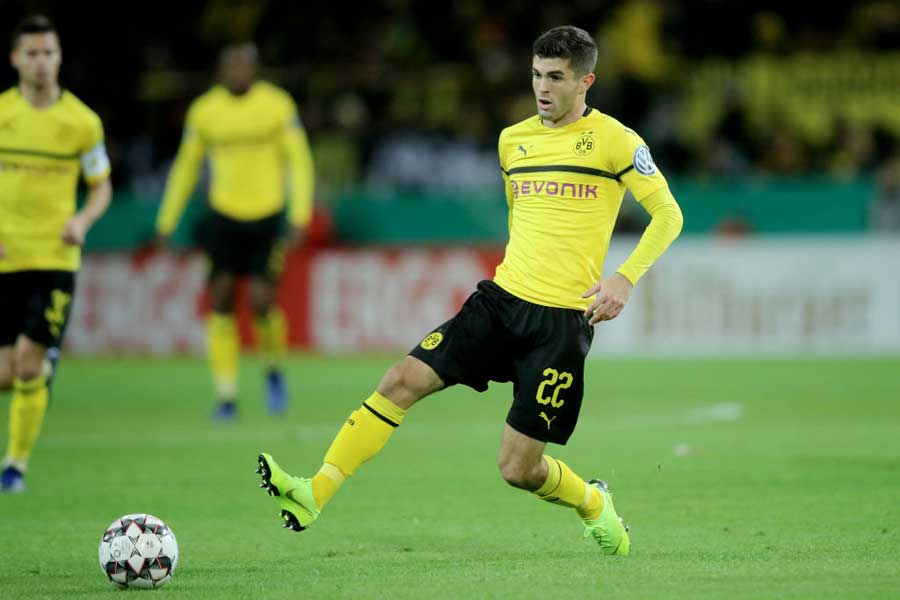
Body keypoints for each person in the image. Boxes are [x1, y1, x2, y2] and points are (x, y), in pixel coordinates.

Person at [256, 25, 683, 555]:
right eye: (536, 75)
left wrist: (624, 276)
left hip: (559, 325)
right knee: (400, 380)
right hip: (500, 303)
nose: (542, 87)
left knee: (518, 468)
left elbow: (668, 214)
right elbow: (521, 217)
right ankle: (314, 492)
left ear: (585, 82)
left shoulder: (617, 140)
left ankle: (593, 502)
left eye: (555, 77)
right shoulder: (513, 141)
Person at [155, 43, 314, 420]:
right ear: (222, 70)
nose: (239, 72)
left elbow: (299, 160)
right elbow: (186, 166)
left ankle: (273, 369)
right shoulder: (205, 111)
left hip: (267, 215)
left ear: (255, 69)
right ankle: (226, 395)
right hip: (223, 216)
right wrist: (166, 220)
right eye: (233, 66)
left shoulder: (276, 105)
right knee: (221, 298)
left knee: (261, 302)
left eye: (246, 66)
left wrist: (300, 214)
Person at [0, 15, 112, 492]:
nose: (41, 62)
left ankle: (14, 467)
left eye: (48, 53)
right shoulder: (2, 114)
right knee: (8, 375)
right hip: (6, 257)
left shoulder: (81, 122)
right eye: (32, 53)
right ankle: (45, 364)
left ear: (59, 57)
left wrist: (81, 221)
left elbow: (101, 186)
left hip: (54, 260)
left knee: (27, 364)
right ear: (16, 59)